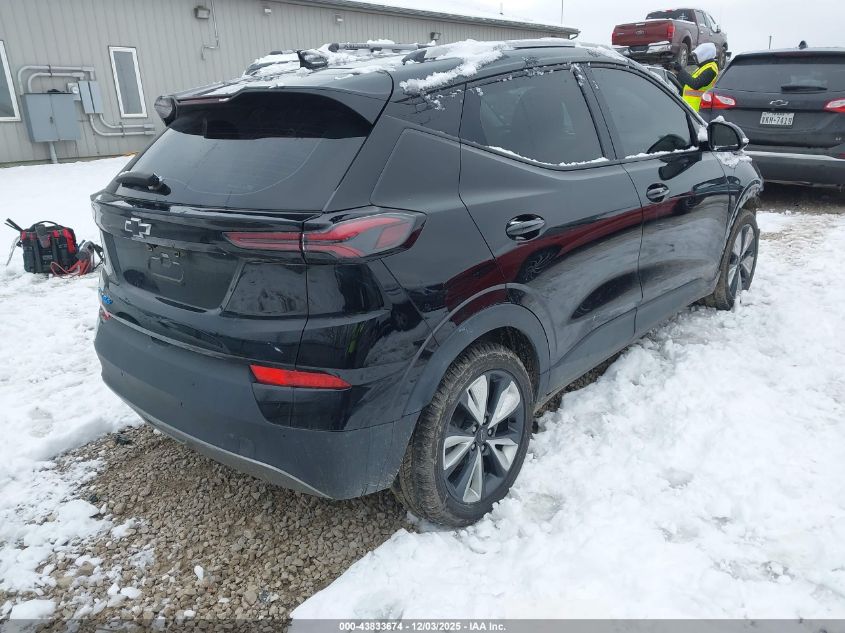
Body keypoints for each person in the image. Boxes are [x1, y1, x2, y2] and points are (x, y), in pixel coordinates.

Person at [672, 42, 720, 112]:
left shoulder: (711, 69)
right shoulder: (702, 68)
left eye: (696, 56)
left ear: (704, 55)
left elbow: (695, 84)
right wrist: (678, 74)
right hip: (689, 107)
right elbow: (688, 84)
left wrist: (681, 70)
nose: (694, 59)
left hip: (697, 109)